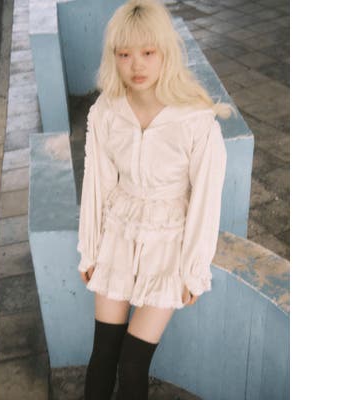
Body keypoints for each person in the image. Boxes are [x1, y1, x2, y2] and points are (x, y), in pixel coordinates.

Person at [77, 0, 236, 398]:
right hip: (119, 234)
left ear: (166, 51)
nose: (137, 65)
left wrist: (194, 269)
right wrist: (90, 250)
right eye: (125, 54)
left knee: (133, 364)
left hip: (168, 244)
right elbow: (97, 183)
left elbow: (205, 200)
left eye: (148, 52)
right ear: (114, 57)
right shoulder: (106, 112)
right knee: (103, 354)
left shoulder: (196, 119)